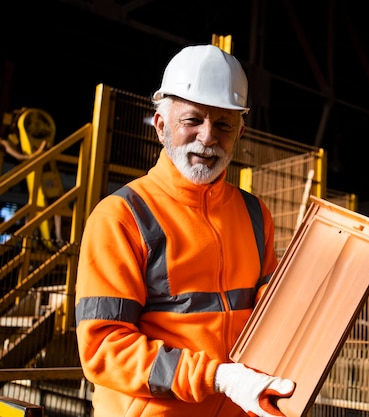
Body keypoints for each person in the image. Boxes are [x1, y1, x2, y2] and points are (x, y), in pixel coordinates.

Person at [75, 44, 295, 417]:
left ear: (239, 131)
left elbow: (269, 314)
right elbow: (105, 348)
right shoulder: (122, 217)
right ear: (162, 125)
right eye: (192, 120)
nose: (208, 137)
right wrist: (218, 378)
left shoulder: (255, 214)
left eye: (223, 124)